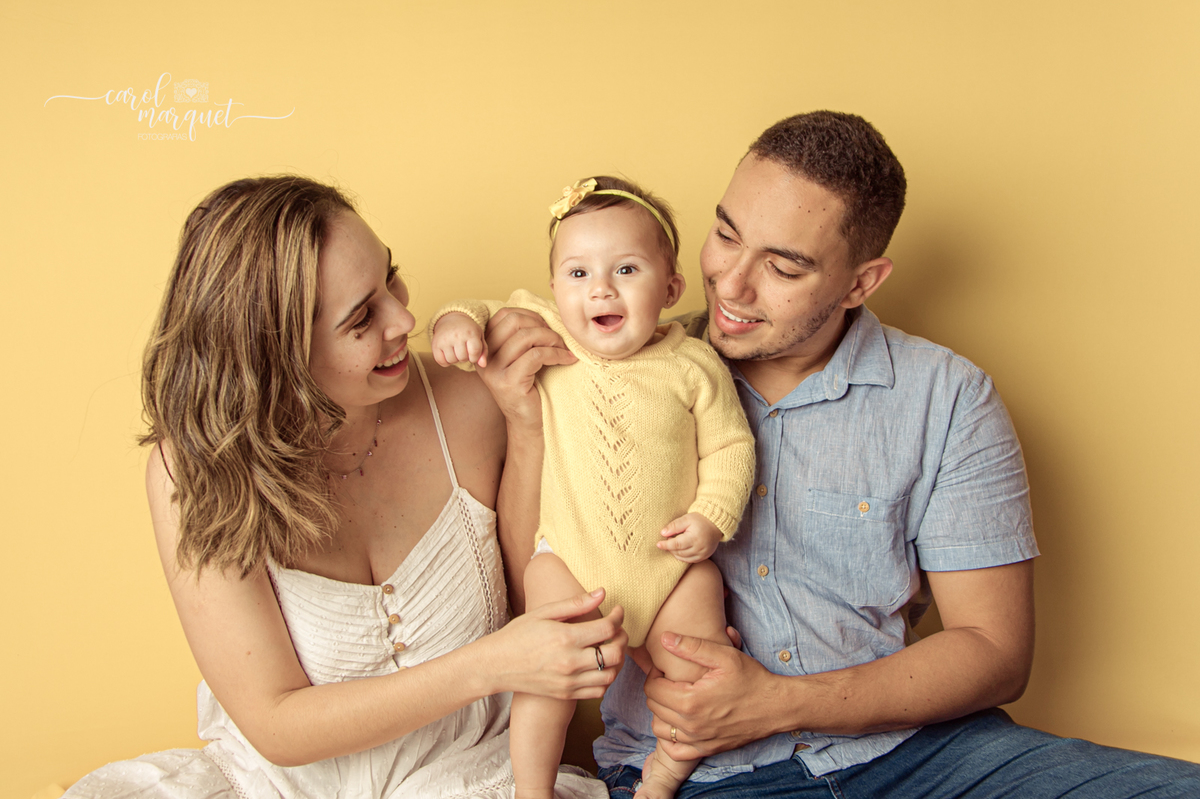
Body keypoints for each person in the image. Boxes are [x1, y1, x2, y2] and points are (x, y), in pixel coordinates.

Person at [590, 112, 1200, 797]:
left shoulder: (948, 396)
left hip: (920, 756)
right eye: (727, 235)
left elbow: (995, 650)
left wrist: (777, 703)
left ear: (861, 283)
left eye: (784, 266)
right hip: (696, 773)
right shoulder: (619, 376)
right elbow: (549, 586)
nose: (731, 284)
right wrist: (527, 424)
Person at [62, 175, 628, 799]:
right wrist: (489, 666)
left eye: (392, 277)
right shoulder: (197, 471)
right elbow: (276, 725)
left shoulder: (471, 396)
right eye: (362, 318)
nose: (405, 319)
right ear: (275, 358)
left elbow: (534, 604)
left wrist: (527, 428)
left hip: (474, 778)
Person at [429, 176, 755, 799]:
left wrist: (711, 517)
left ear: (671, 289)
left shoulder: (694, 365)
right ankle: (532, 790)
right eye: (577, 273)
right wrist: (456, 324)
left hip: (672, 570)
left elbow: (732, 447)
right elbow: (484, 311)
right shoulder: (548, 333)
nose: (600, 289)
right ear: (554, 289)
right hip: (571, 562)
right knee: (544, 682)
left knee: (702, 673)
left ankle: (667, 768)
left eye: (626, 269)